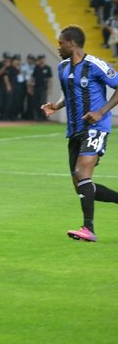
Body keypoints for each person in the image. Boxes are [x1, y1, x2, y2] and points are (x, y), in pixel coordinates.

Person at [41, 25, 118, 243]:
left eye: (61, 43)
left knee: (82, 171)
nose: (58, 47)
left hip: (96, 127)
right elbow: (70, 95)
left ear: (72, 43)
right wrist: (56, 106)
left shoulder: (95, 65)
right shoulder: (63, 67)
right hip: (74, 131)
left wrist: (101, 111)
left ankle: (88, 228)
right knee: (81, 185)